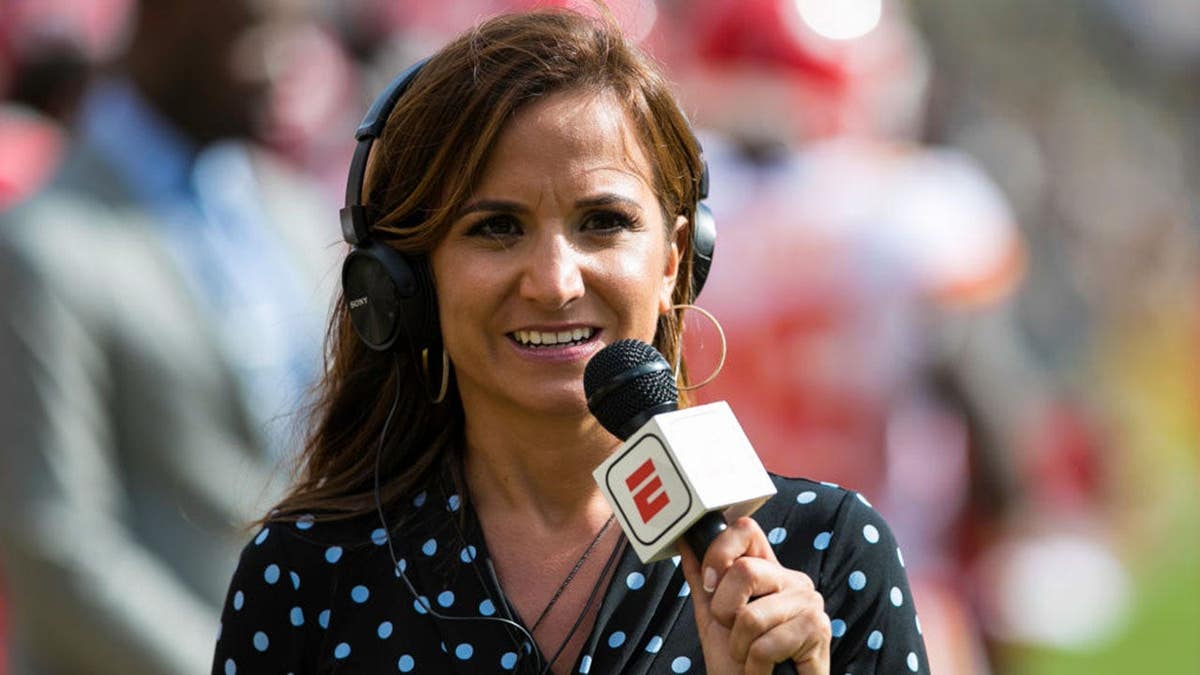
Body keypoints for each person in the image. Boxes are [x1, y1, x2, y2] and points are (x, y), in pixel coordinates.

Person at [212, 10, 928, 674]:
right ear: (406, 280)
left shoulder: (827, 558)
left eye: (603, 222)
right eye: (496, 227)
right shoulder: (306, 579)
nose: (555, 282)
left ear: (676, 259)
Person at [0, 0, 333, 672]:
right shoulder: (42, 248)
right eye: (253, 36)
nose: (282, 69)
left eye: (294, 34)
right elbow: (53, 541)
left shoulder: (296, 212)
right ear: (166, 21)